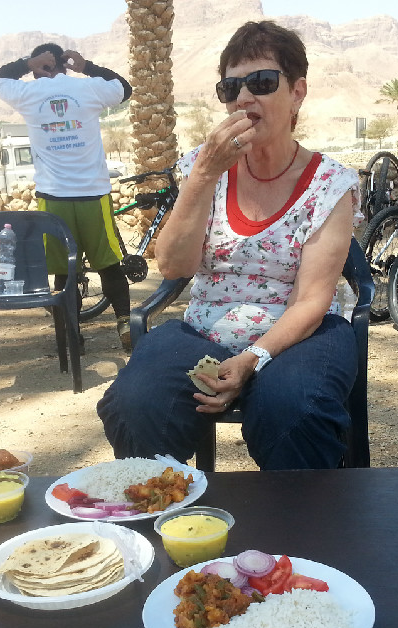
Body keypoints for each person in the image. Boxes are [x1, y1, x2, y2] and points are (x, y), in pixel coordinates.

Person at [97, 20, 359, 470]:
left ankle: (299, 513)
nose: (244, 97)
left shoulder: (330, 184)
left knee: (294, 408)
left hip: (300, 332)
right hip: (206, 328)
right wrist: (204, 174)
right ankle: (164, 506)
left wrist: (253, 358)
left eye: (262, 82)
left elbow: (312, 300)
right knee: (136, 401)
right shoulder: (203, 170)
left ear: (297, 92)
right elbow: (174, 266)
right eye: (231, 87)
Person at [0, 44, 135, 350]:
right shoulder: (88, 89)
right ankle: (125, 324)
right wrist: (87, 67)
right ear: (65, 64)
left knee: (63, 272)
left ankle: (71, 334)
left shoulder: (27, 94)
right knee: (109, 265)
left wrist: (26, 64)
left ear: (39, 67)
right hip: (94, 196)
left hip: (53, 199)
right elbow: (124, 88)